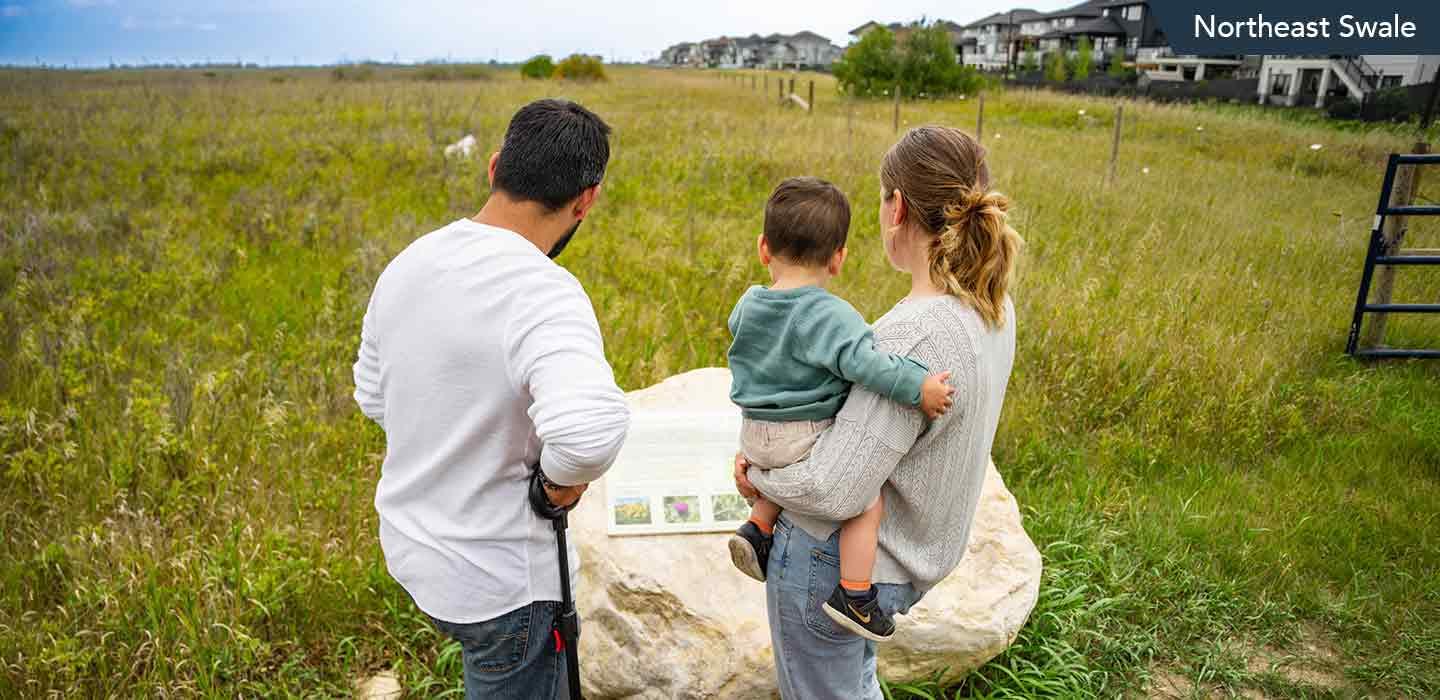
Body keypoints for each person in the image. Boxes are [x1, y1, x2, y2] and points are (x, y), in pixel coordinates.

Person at [352, 99, 630, 700]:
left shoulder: (408, 263)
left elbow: (372, 395)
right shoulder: (544, 292)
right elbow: (588, 432)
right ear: (587, 200)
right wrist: (557, 486)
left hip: (415, 549)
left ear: (496, 166)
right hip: (505, 584)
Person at [734, 125, 1022, 699]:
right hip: (898, 566)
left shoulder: (911, 337)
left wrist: (758, 475)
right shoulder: (994, 307)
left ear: (896, 209)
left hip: (829, 565)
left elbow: (837, 491)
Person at [725, 176, 955, 643]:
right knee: (866, 501)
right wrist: (919, 387)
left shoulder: (748, 304)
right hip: (802, 434)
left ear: (764, 248)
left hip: (754, 433)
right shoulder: (832, 317)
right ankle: (854, 594)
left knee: (786, 454)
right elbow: (867, 364)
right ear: (838, 258)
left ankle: (756, 527)